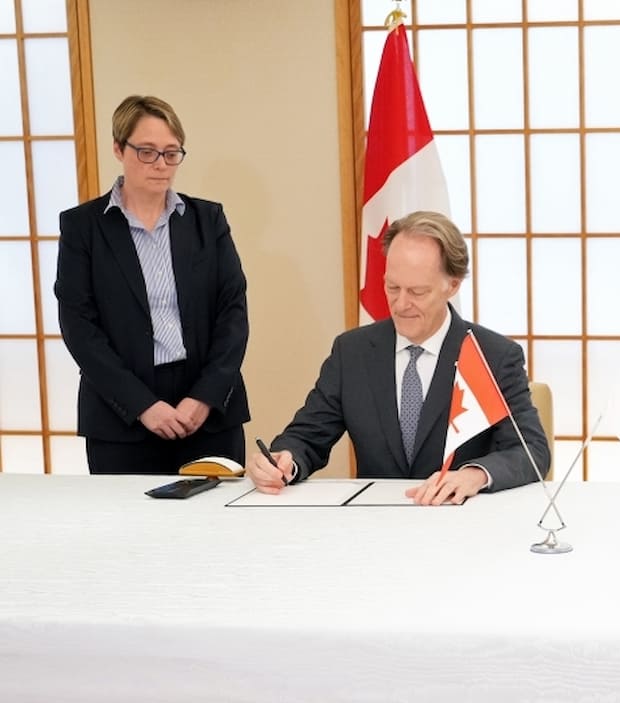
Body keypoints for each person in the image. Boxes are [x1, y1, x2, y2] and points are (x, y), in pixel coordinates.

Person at [248, 210, 548, 505]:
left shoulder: (492, 355)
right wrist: (283, 461)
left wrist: (475, 475)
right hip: (375, 521)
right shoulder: (352, 352)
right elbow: (307, 437)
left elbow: (531, 451)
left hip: (457, 518)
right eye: (392, 287)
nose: (401, 304)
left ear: (452, 285)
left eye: (417, 292)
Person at [56, 94, 249, 473]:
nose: (161, 164)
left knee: (216, 511)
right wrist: (141, 405)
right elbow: (79, 326)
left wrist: (205, 396)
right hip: (121, 415)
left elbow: (233, 312)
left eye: (171, 153)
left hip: (206, 412)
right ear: (118, 148)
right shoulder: (83, 227)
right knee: (128, 514)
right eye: (147, 152)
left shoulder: (207, 219)